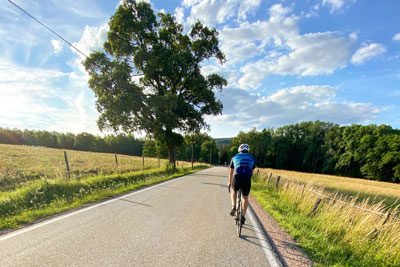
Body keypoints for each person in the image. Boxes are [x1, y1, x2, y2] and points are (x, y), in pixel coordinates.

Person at [227, 143, 255, 225]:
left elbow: (231, 172)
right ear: (248, 151)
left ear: (239, 150)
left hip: (237, 177)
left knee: (234, 191)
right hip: (246, 178)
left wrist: (229, 182)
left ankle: (234, 206)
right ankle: (243, 215)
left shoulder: (234, 157)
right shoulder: (252, 158)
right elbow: (251, 172)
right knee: (245, 198)